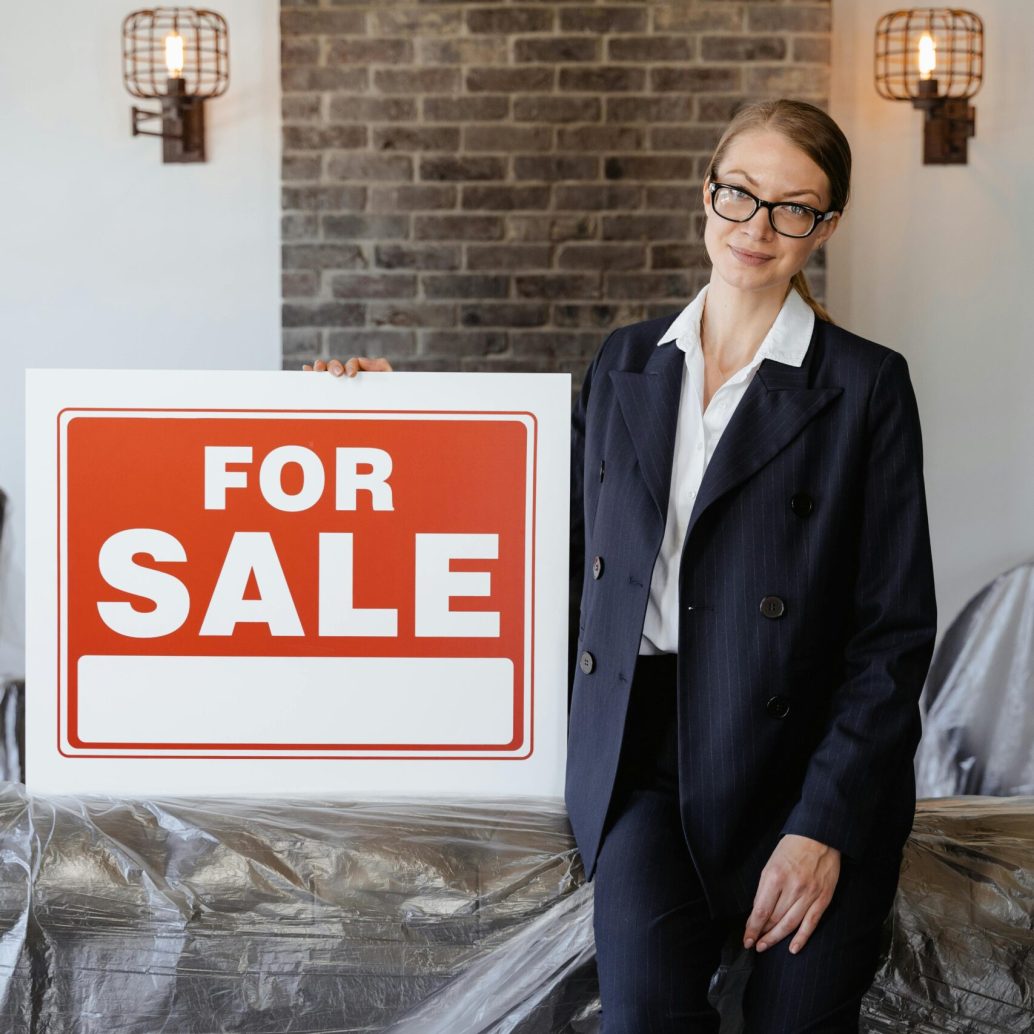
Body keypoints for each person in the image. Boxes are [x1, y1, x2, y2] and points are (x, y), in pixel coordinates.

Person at [306, 97, 938, 1034]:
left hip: (808, 765)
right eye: (740, 194)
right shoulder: (626, 361)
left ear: (827, 225)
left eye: (793, 207)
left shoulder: (863, 383)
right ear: (707, 194)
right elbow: (540, 517)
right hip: (643, 757)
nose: (757, 228)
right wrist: (398, 416)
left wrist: (822, 828)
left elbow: (892, 634)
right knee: (641, 1018)